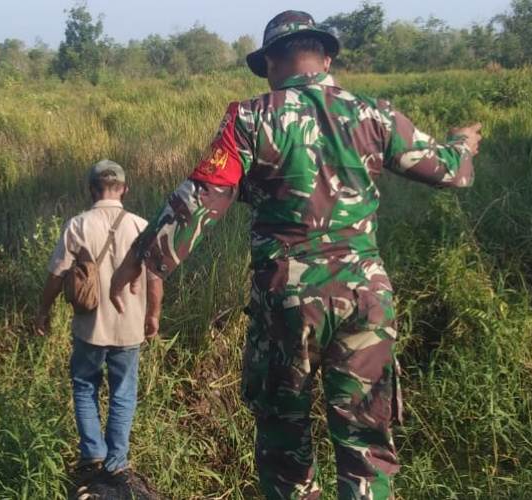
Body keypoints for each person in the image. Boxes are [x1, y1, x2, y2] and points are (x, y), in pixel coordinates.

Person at [111, 10, 481, 500]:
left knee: (285, 447)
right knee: (366, 446)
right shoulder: (375, 115)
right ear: (326, 58)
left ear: (270, 64)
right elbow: (452, 172)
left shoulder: (251, 118)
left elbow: (204, 195)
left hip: (288, 302)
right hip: (365, 299)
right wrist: (462, 142)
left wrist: (147, 259)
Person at [35, 160, 163, 491]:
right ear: (124, 190)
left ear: (91, 190)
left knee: (84, 385)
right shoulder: (141, 226)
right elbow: (155, 278)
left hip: (89, 327)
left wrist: (43, 310)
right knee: (123, 392)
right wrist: (153, 316)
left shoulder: (78, 225)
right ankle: (117, 462)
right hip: (129, 327)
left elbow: (56, 275)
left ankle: (92, 454)